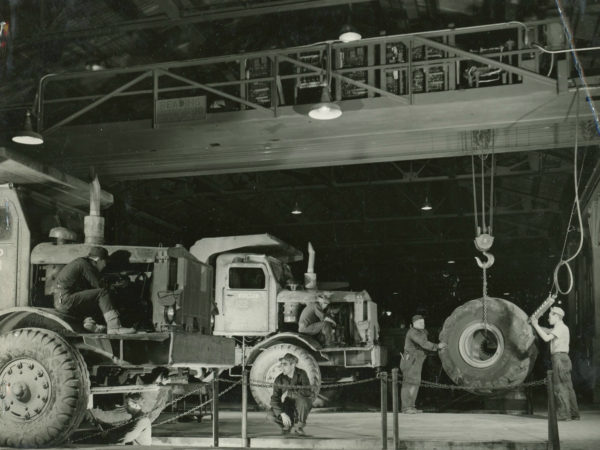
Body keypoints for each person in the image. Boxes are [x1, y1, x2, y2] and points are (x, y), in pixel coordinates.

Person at [53, 246, 135, 334]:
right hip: (65, 300)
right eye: (104, 261)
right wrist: (116, 285)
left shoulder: (81, 262)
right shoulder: (85, 265)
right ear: (98, 260)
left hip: (60, 301)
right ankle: (114, 327)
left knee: (91, 295)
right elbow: (99, 287)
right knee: (102, 293)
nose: (105, 265)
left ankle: (89, 323)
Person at [531, 306, 580, 421]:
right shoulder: (563, 327)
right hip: (565, 358)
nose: (548, 320)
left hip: (558, 359)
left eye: (550, 317)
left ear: (556, 316)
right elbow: (548, 331)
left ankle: (564, 415)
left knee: (559, 387)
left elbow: (547, 338)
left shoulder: (560, 328)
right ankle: (574, 414)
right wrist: (536, 326)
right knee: (568, 387)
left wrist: (536, 325)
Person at [400, 314, 447, 413]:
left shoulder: (421, 332)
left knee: (415, 383)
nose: (423, 324)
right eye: (420, 322)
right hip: (411, 361)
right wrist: (437, 346)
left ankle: (411, 407)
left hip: (417, 361)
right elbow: (424, 343)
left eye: (423, 322)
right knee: (409, 383)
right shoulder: (413, 332)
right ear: (414, 324)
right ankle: (406, 408)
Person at [267, 353, 314, 435]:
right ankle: (286, 425)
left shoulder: (301, 374)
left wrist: (289, 393)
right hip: (287, 406)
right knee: (270, 415)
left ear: (293, 365)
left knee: (304, 401)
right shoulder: (279, 379)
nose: (281, 367)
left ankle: (298, 427)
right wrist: (282, 413)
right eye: (281, 364)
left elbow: (307, 391)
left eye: (285, 364)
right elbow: (274, 399)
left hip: (299, 405)